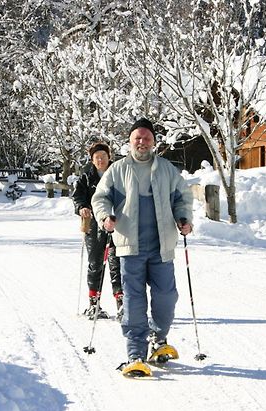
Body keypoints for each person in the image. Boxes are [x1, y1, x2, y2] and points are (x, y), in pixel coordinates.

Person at [91, 118, 193, 371]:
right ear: (129, 141)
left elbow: (183, 198)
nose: (142, 142)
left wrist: (184, 219)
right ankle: (135, 352)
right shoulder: (117, 169)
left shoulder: (168, 169)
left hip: (162, 245)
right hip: (130, 245)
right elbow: (100, 197)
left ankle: (159, 340)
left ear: (154, 142)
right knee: (134, 300)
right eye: (137, 137)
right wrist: (105, 217)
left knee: (166, 297)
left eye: (147, 138)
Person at [72, 142, 124, 320]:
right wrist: (82, 208)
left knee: (117, 263)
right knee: (95, 263)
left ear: (109, 157)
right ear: (92, 160)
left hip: (117, 223)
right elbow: (78, 196)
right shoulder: (86, 176)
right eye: (97, 157)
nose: (100, 160)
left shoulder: (118, 174)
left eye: (103, 156)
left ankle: (121, 304)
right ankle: (94, 304)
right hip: (94, 225)